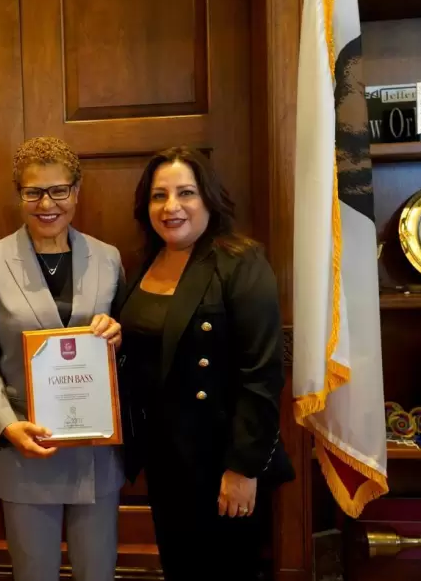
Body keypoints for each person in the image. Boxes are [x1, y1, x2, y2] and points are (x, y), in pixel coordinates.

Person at [115, 146, 295, 581]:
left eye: (186, 193)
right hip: (165, 459)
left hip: (221, 461)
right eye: (159, 195)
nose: (171, 207)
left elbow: (262, 372)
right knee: (180, 568)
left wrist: (242, 469)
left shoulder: (239, 261)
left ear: (209, 199)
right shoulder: (148, 261)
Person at [0, 137, 124, 581]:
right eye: (33, 192)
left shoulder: (108, 259)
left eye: (59, 190)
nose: (46, 203)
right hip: (26, 449)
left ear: (77, 191)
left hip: (96, 454)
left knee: (98, 574)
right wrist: (5, 425)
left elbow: (123, 350)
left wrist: (116, 335)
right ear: (19, 194)